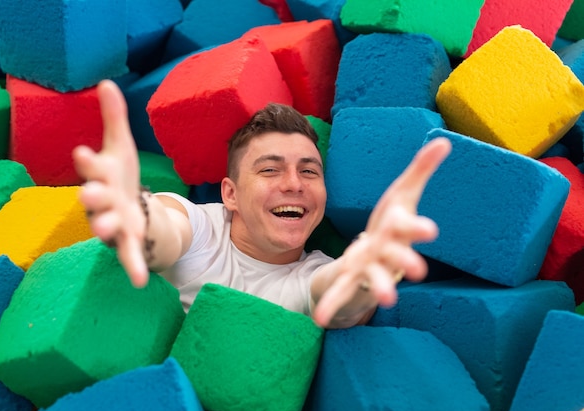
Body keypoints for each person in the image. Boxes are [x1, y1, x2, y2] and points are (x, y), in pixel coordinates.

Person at [73, 80, 451, 329]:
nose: (293, 184)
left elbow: (336, 293)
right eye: (270, 170)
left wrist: (368, 271)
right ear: (230, 195)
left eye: (309, 172)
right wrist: (135, 217)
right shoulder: (200, 226)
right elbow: (165, 230)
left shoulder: (314, 273)